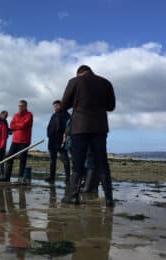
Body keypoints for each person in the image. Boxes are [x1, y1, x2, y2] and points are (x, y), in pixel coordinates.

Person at [60, 65, 116, 207]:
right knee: (102, 163)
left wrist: (77, 102)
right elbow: (111, 106)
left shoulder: (74, 81)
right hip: (99, 127)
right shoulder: (105, 82)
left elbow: (64, 105)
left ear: (79, 73)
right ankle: (109, 199)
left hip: (80, 127)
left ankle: (73, 196)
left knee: (77, 164)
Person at [0, 100, 33, 182]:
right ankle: (7, 177)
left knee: (22, 159)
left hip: (25, 140)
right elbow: (11, 126)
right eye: (19, 106)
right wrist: (18, 125)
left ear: (25, 106)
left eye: (21, 106)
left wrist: (17, 125)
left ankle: (20, 177)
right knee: (9, 157)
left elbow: (24, 125)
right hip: (15, 140)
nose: (20, 107)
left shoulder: (29, 115)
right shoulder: (15, 115)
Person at [46, 100, 71, 184]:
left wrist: (65, 138)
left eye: (57, 105)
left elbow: (69, 128)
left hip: (62, 141)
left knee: (65, 160)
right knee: (52, 160)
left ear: (61, 105)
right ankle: (52, 177)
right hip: (52, 140)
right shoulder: (53, 115)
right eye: (54, 106)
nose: (55, 107)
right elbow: (49, 126)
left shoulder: (67, 115)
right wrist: (49, 135)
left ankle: (68, 178)